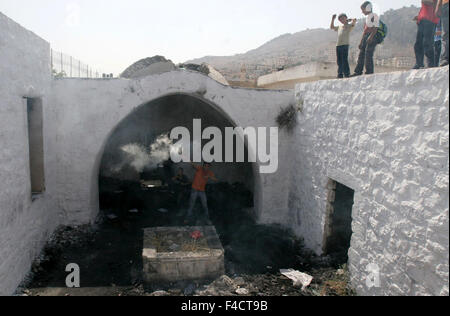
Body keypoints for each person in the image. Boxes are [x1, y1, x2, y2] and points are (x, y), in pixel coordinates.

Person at [351, 1, 383, 76]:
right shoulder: (367, 18)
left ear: (368, 8)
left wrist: (371, 37)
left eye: (363, 9)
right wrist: (361, 42)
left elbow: (375, 27)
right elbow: (365, 31)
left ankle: (369, 72)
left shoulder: (374, 15)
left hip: (373, 36)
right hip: (366, 36)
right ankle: (358, 72)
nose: (362, 12)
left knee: (368, 53)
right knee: (361, 54)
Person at [413, 0, 439, 69]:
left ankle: (431, 65)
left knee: (428, 44)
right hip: (422, 20)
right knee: (418, 44)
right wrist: (419, 16)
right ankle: (419, 64)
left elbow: (434, 3)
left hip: (430, 20)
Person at [331, 13, 357, 78]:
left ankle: (347, 74)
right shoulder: (339, 27)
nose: (341, 20)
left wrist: (349, 20)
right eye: (340, 19)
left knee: (344, 60)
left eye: (343, 18)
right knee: (339, 61)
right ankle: (340, 74)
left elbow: (354, 20)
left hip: (345, 45)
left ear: (346, 18)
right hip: (338, 45)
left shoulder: (349, 26)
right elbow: (332, 27)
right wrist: (333, 19)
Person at [436, 0, 449, 66]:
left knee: (445, 35)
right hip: (446, 5)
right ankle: (445, 59)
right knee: (446, 34)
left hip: (446, 5)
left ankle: (444, 59)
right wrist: (438, 6)